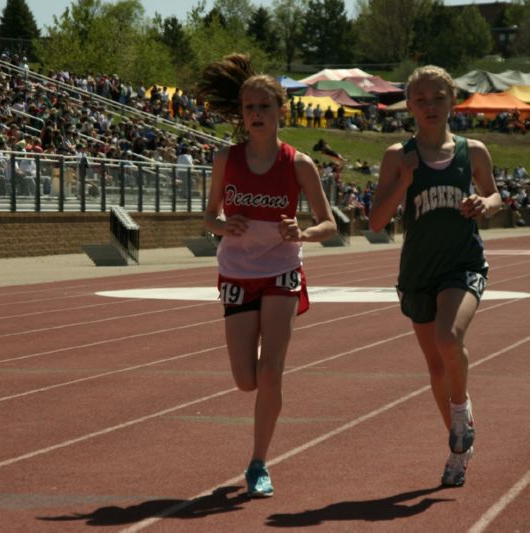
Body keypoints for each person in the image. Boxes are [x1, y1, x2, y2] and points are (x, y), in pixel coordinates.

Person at [196, 53, 336, 498]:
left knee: (271, 373)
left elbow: (330, 223)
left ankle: (258, 462)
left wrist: (305, 232)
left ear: (281, 112)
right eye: (249, 108)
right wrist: (223, 226)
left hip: (281, 268)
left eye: (264, 107)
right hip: (237, 269)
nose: (255, 115)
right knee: (246, 380)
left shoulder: (298, 165)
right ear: (241, 114)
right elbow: (209, 215)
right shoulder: (226, 159)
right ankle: (258, 378)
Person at [368, 65, 501, 488]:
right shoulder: (397, 155)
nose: (429, 106)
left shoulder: (473, 151)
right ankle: (459, 447)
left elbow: (495, 194)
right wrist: (404, 180)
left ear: (452, 102)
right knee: (435, 367)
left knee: (449, 338)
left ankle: (462, 413)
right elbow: (375, 222)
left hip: (462, 264)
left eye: (437, 98)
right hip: (418, 272)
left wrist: (486, 204)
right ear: (409, 105)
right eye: (420, 99)